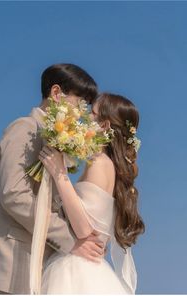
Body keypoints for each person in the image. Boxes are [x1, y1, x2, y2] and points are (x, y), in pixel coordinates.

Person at [0, 64, 108, 294]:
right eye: (81, 102)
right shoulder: (25, 128)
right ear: (56, 93)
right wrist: (70, 241)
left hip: (37, 271)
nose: (83, 113)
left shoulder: (57, 140)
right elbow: (14, 195)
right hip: (8, 270)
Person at [39, 92, 145, 294]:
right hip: (90, 268)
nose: (84, 118)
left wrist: (59, 173)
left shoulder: (99, 164)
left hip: (76, 270)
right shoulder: (105, 164)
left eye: (92, 114)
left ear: (104, 126)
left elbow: (84, 230)